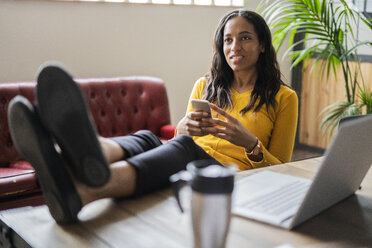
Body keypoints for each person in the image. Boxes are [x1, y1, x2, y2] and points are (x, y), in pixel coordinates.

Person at [8, 9, 297, 225]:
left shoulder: (284, 98)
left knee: (182, 148)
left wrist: (251, 145)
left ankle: (87, 184)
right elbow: (182, 141)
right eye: (228, 39)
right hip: (192, 162)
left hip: (232, 179)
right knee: (148, 137)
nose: (235, 47)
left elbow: (283, 169)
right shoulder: (204, 86)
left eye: (245, 38)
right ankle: (88, 157)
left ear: (262, 45)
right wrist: (183, 128)